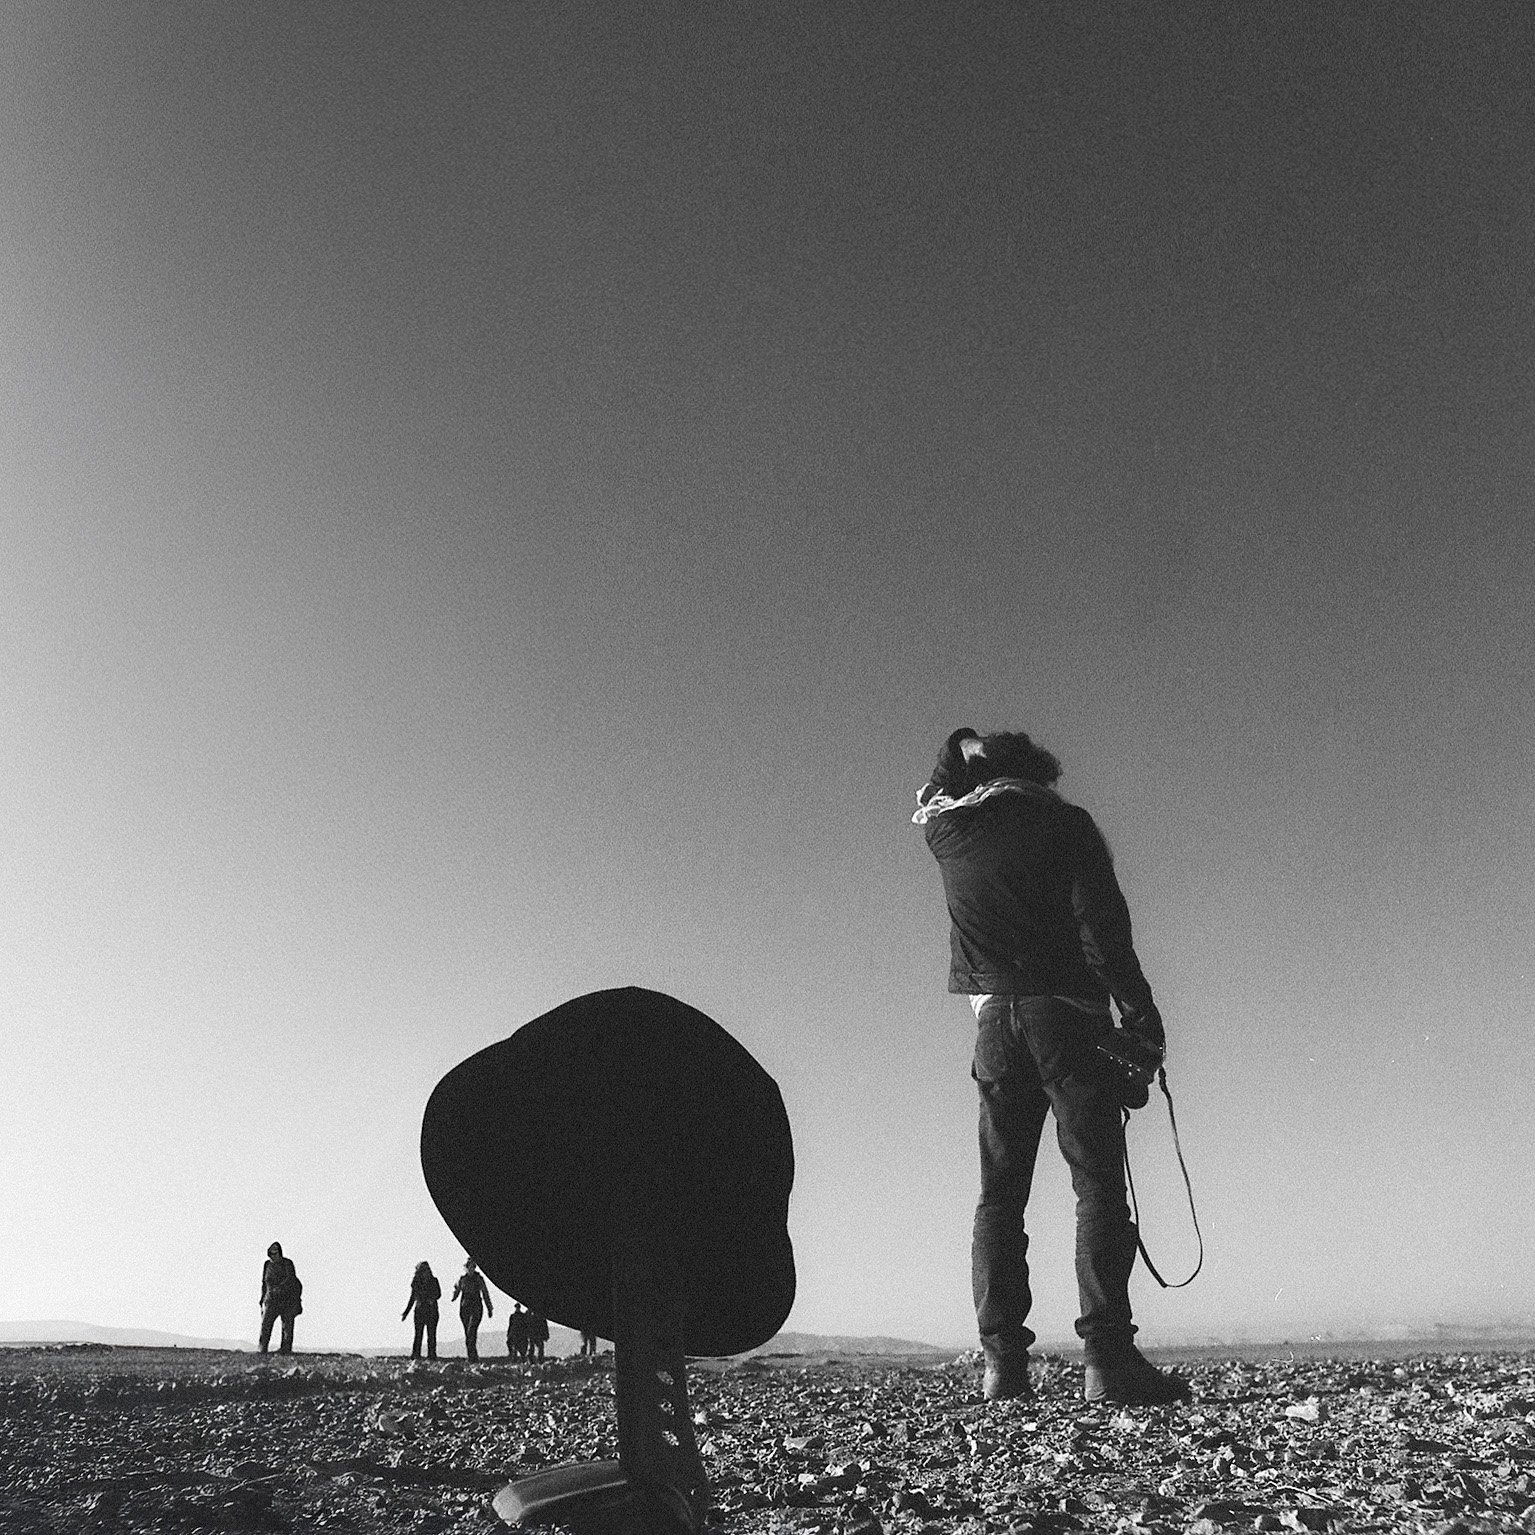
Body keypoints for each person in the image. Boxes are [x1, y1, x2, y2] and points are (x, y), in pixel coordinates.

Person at [915, 727, 1190, 1406]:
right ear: (1040, 775)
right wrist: (1142, 1017)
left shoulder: (949, 833)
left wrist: (959, 743)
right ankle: (1107, 1358)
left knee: (998, 1196)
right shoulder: (1065, 825)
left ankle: (1001, 1367)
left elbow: (936, 786)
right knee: (1095, 1185)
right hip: (1066, 1017)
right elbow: (1103, 928)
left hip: (992, 1028)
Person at [258, 1242, 303, 1355]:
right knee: (266, 1325)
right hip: (270, 1300)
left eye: (275, 1253)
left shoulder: (287, 1264)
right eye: (271, 1254)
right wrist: (262, 1298)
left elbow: (291, 1279)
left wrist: (279, 1289)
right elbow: (264, 1283)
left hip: (286, 1300)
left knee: (287, 1325)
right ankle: (262, 1348)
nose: (273, 1256)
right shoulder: (267, 1265)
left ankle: (286, 1349)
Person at [451, 1258, 494, 1362]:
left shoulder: (479, 1279)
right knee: (468, 1333)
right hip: (465, 1308)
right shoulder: (462, 1279)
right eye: (470, 1266)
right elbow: (456, 1290)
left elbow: (485, 1293)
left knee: (471, 1331)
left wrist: (489, 1308)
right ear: (467, 1267)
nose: (472, 1269)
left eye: (473, 1266)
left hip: (476, 1307)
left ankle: (473, 1357)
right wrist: (454, 1296)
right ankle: (471, 1356)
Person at [402, 1261, 442, 1360]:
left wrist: (431, 1299)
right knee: (419, 1334)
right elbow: (413, 1297)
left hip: (431, 1310)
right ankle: (416, 1354)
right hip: (420, 1310)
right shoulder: (416, 1283)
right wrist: (406, 1312)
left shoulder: (434, 1281)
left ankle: (431, 1355)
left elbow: (438, 1294)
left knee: (431, 1334)